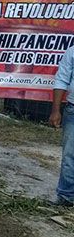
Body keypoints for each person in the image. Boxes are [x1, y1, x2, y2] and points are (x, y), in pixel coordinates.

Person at [50, 45, 74, 207]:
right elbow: (62, 78)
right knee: (69, 155)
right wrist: (55, 110)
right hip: (73, 109)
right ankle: (66, 196)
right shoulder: (73, 51)